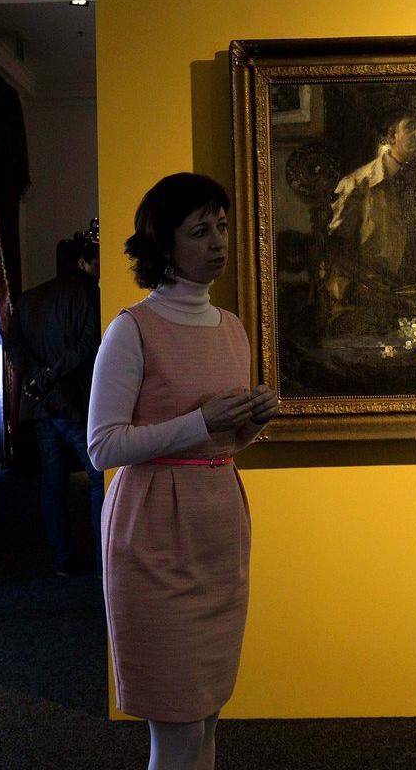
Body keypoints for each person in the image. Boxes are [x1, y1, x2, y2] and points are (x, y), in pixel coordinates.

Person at [88, 173, 278, 770]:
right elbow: (102, 446)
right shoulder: (131, 329)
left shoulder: (232, 328)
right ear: (164, 244)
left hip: (218, 531)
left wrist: (248, 424)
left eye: (221, 226)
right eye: (200, 231)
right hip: (154, 537)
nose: (218, 241)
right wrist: (201, 421)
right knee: (178, 725)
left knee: (208, 716)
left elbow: (219, 441)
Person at [6, 226, 103, 575]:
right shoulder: (89, 293)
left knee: (53, 479)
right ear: (82, 262)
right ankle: (103, 560)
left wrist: (38, 377)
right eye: (98, 262)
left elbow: (13, 345)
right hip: (73, 400)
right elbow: (88, 345)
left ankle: (62, 559)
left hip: (41, 403)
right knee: (98, 475)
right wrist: (50, 375)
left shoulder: (30, 298)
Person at [323, 102, 416, 332]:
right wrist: (364, 295)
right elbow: (336, 258)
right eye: (411, 126)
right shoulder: (358, 186)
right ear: (391, 135)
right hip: (371, 310)